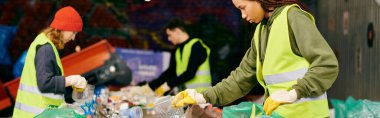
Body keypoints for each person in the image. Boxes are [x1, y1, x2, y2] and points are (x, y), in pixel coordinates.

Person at [171, 0, 339, 117]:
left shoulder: (293, 18)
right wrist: (202, 96)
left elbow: (327, 65)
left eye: (243, 7)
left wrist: (294, 93)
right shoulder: (261, 31)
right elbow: (240, 80)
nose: (243, 15)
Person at [13, 6, 87, 117]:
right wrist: (72, 80)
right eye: (74, 33)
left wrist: (61, 105)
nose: (73, 38)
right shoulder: (45, 49)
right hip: (35, 115)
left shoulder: (45, 43)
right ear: (64, 28)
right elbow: (45, 83)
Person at [128, 19, 212, 97]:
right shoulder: (178, 51)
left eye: (169, 35)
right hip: (188, 97)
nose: (168, 39)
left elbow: (190, 73)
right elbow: (170, 72)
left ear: (177, 31)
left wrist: (167, 85)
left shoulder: (197, 46)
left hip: (202, 97)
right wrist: (149, 87)